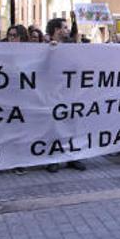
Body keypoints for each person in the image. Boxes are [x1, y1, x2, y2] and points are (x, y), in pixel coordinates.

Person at [44, 13, 87, 172]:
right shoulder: (44, 47)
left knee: (72, 126)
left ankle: (73, 157)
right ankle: (53, 158)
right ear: (57, 30)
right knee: (54, 127)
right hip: (53, 94)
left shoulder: (72, 47)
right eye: (65, 27)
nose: (67, 30)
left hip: (71, 93)